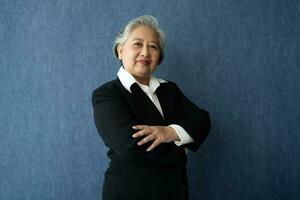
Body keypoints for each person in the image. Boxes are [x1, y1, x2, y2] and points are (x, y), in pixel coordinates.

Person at [92, 15, 211, 200]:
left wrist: (170, 132)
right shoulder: (107, 94)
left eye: (153, 47)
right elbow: (129, 146)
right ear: (120, 51)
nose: (145, 53)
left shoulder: (169, 89)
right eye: (137, 44)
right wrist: (182, 149)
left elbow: (202, 120)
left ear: (159, 57)